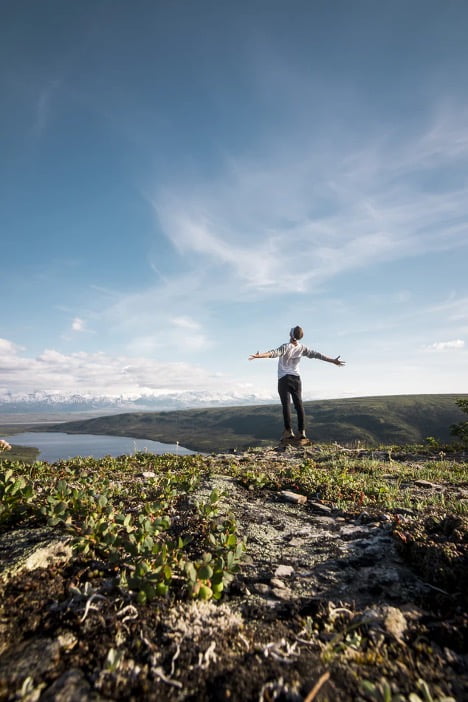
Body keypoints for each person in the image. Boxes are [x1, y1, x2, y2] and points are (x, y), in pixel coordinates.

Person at [249, 326, 345, 441]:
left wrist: (259, 356)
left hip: (284, 378)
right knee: (299, 405)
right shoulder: (302, 348)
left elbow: (273, 353)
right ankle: (302, 431)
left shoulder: (286, 346)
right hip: (296, 379)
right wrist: (333, 361)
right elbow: (318, 355)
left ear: (290, 334)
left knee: (286, 405)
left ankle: (288, 431)